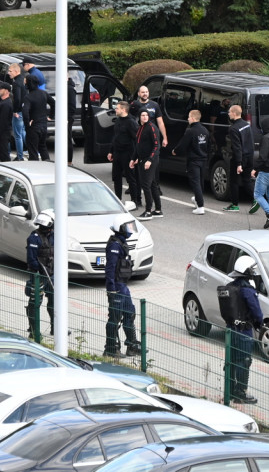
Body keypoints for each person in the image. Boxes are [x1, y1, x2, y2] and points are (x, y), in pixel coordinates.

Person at [217, 255, 264, 404]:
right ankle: (241, 393)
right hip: (244, 332)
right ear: (247, 271)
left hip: (231, 331)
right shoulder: (247, 290)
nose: (254, 272)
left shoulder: (231, 287)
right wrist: (259, 324)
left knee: (231, 361)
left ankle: (229, 391)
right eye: (252, 269)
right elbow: (257, 312)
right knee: (244, 361)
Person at [104, 216, 141, 358]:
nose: (130, 230)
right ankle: (111, 348)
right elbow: (110, 268)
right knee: (114, 317)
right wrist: (111, 289)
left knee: (129, 313)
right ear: (120, 228)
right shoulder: (114, 245)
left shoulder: (121, 243)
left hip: (123, 286)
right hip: (117, 287)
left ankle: (132, 346)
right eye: (128, 227)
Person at [173, 109, 210, 215]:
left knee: (195, 182)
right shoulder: (205, 130)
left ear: (193, 118)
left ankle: (200, 206)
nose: (188, 119)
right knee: (200, 181)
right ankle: (198, 200)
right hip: (203, 159)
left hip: (194, 160)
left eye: (189, 117)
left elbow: (183, 145)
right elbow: (209, 145)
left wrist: (175, 151)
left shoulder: (190, 131)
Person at [25, 210, 56, 337]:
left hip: (52, 274)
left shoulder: (54, 236)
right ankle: (33, 330)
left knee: (55, 301)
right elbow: (31, 260)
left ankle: (56, 327)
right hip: (38, 275)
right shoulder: (34, 238)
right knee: (35, 301)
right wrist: (40, 269)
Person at [131, 110, 163, 219]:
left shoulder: (152, 127)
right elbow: (138, 145)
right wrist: (133, 158)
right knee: (153, 184)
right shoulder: (141, 128)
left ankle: (148, 211)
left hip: (150, 160)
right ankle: (158, 210)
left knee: (146, 185)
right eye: (142, 115)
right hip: (142, 159)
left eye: (146, 115)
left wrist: (150, 160)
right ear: (139, 117)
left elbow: (156, 145)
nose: (144, 117)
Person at [108, 101, 140, 207]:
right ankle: (118, 199)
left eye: (117, 108)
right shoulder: (117, 121)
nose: (115, 110)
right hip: (117, 153)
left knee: (130, 178)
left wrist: (135, 156)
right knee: (116, 177)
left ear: (123, 110)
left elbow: (137, 139)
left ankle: (134, 201)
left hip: (128, 153)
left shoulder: (131, 122)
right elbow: (115, 137)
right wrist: (111, 151)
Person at [223, 105, 254, 212]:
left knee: (234, 181)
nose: (228, 113)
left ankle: (235, 205)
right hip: (249, 156)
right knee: (247, 180)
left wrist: (239, 163)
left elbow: (237, 147)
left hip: (239, 158)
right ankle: (257, 198)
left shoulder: (233, 128)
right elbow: (250, 142)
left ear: (234, 113)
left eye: (229, 112)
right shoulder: (246, 125)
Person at [24, 82, 52, 161]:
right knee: (42, 146)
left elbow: (25, 112)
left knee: (32, 149)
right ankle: (47, 165)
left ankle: (35, 167)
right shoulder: (43, 93)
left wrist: (27, 125)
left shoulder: (28, 97)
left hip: (34, 126)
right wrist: (51, 116)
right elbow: (53, 103)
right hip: (43, 124)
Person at [7, 63, 27, 161]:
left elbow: (17, 98)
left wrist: (15, 111)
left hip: (18, 111)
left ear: (16, 71)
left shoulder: (16, 83)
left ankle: (20, 156)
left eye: (10, 71)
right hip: (24, 110)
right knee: (23, 132)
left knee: (17, 135)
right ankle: (27, 151)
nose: (8, 73)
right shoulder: (23, 80)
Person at [0, 87, 14, 162]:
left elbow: (3, 120)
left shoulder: (6, 104)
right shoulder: (3, 102)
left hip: (3, 133)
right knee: (1, 152)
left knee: (3, 153)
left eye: (1, 88)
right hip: (3, 132)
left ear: (6, 91)